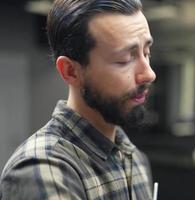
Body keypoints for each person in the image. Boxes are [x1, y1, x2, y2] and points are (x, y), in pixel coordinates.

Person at [0, 0, 156, 199]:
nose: (149, 74)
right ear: (71, 71)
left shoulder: (136, 159)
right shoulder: (43, 169)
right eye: (125, 59)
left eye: (146, 53)